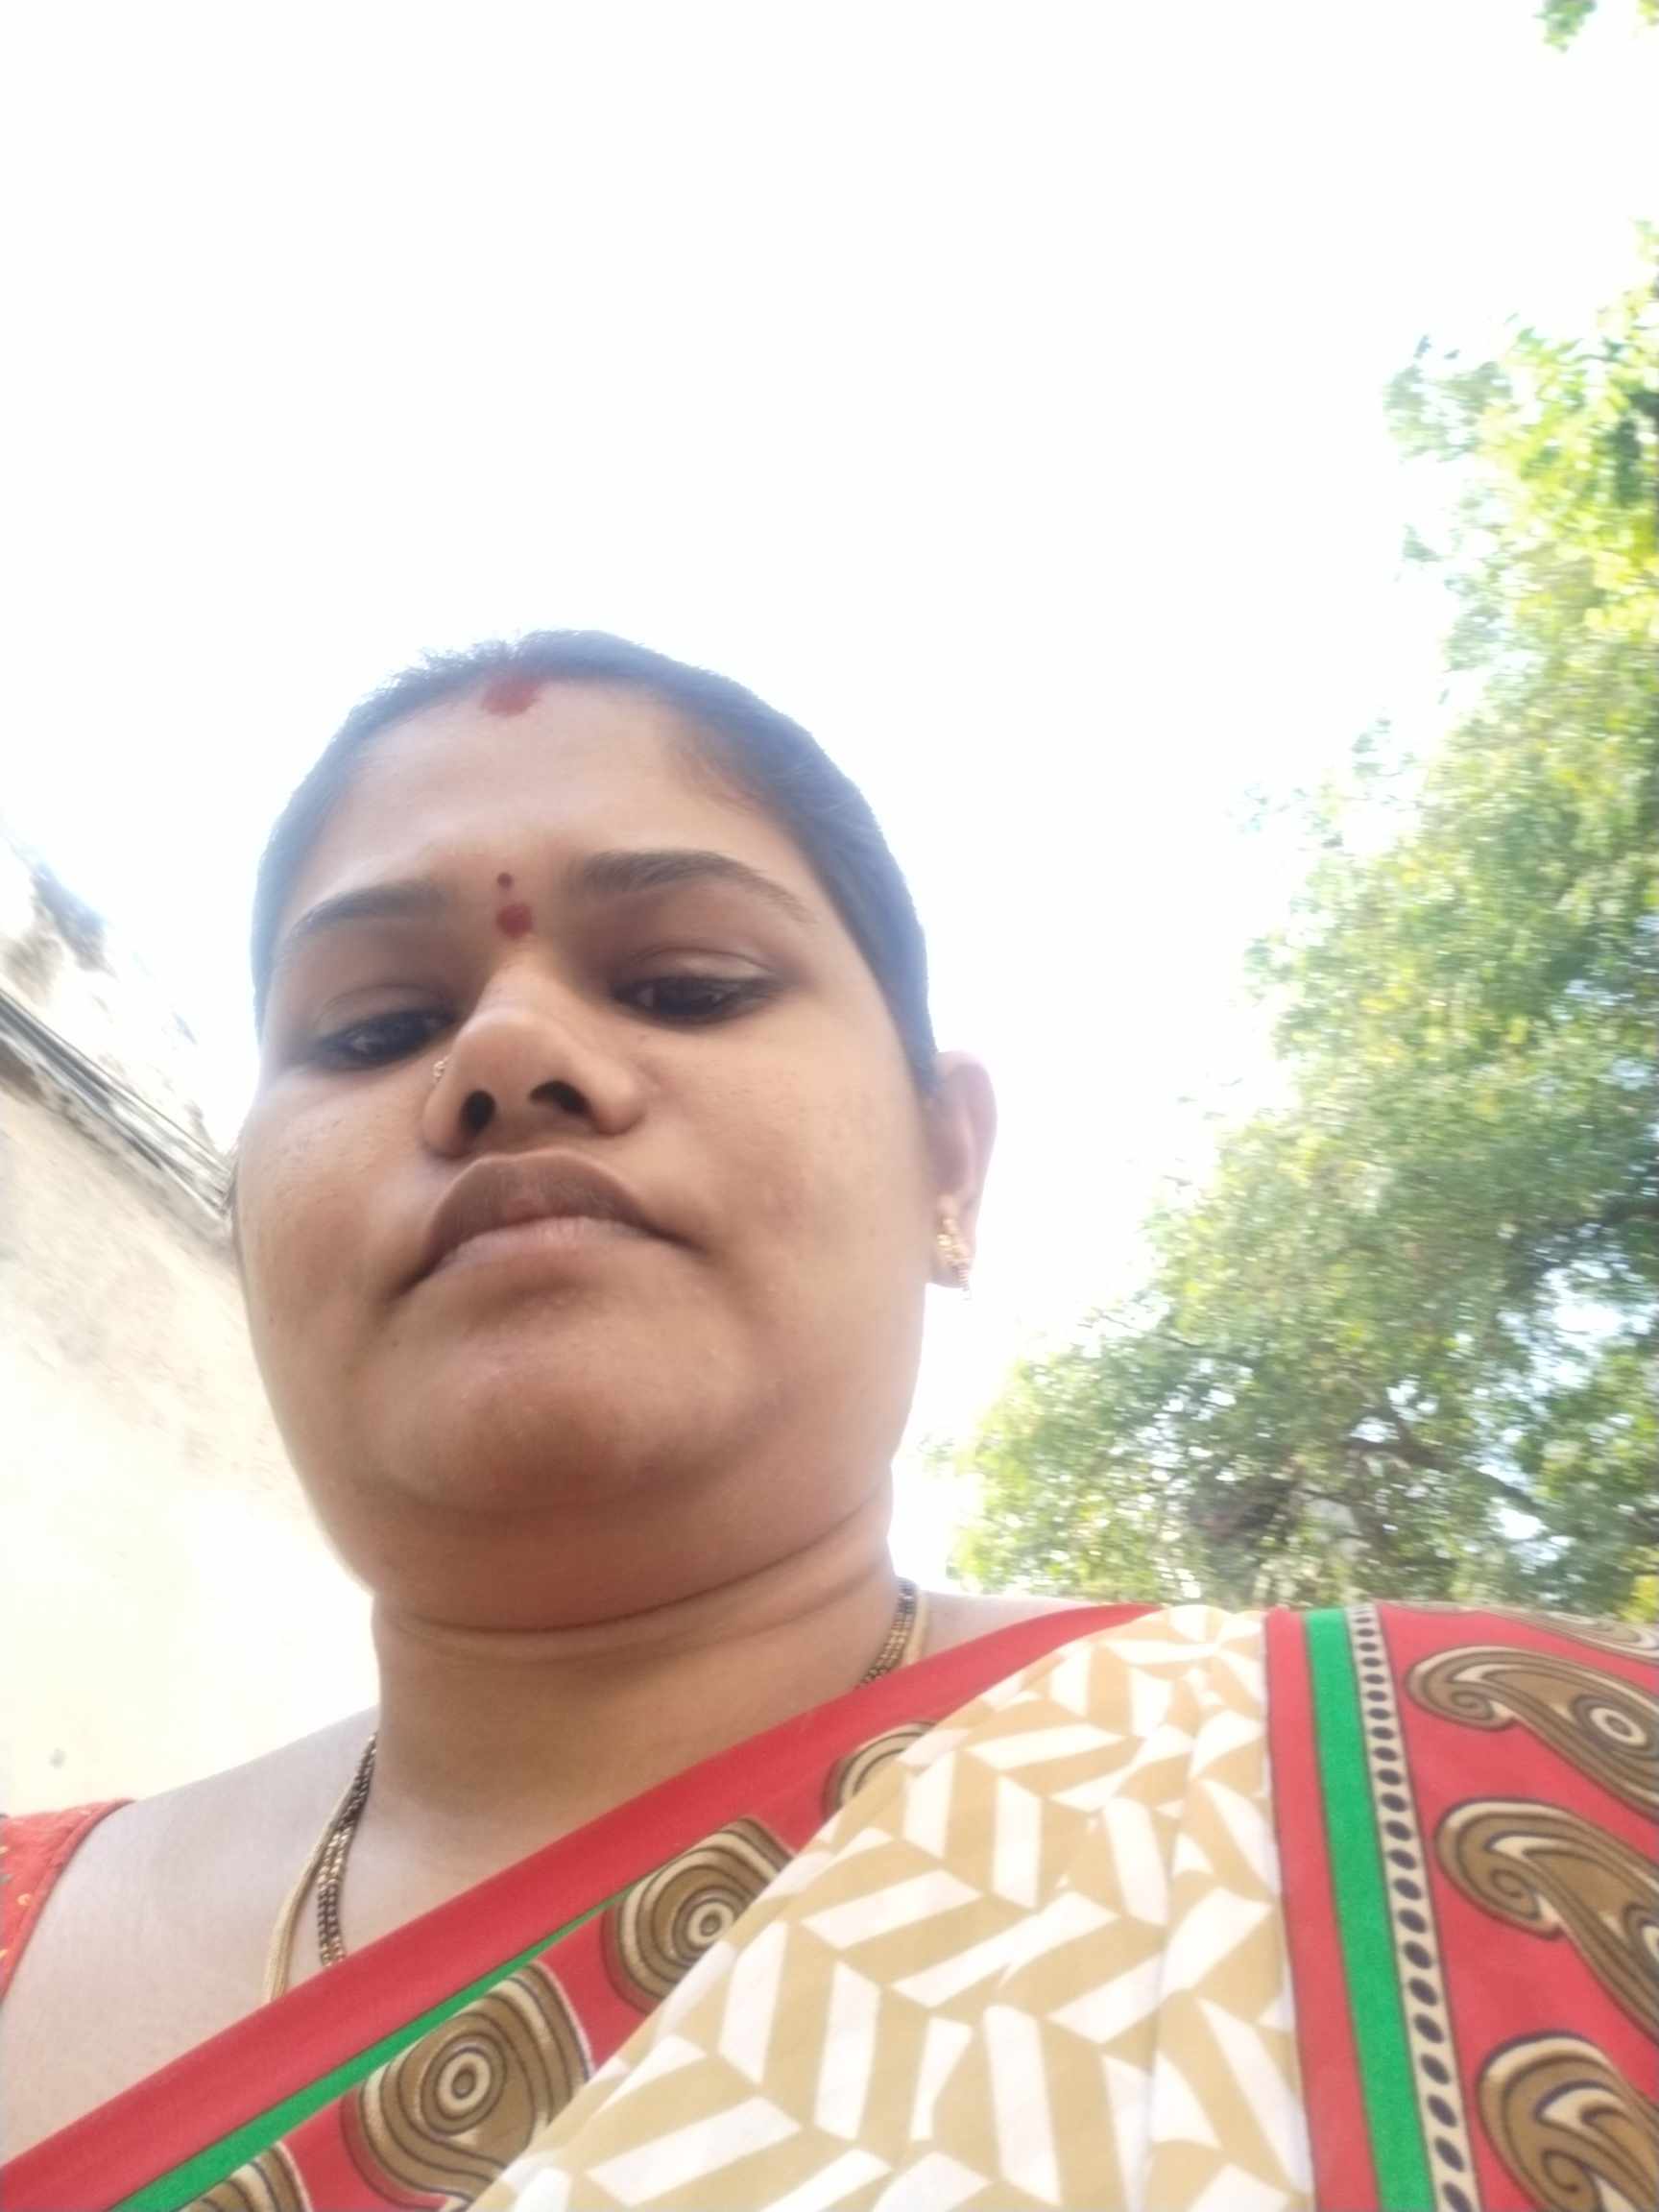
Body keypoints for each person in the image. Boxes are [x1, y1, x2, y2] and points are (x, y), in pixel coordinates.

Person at [1, 634, 1652, 2212]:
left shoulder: (1508, 1784)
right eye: (372, 1029)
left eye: (685, 983)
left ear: (949, 1166)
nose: (505, 1051)